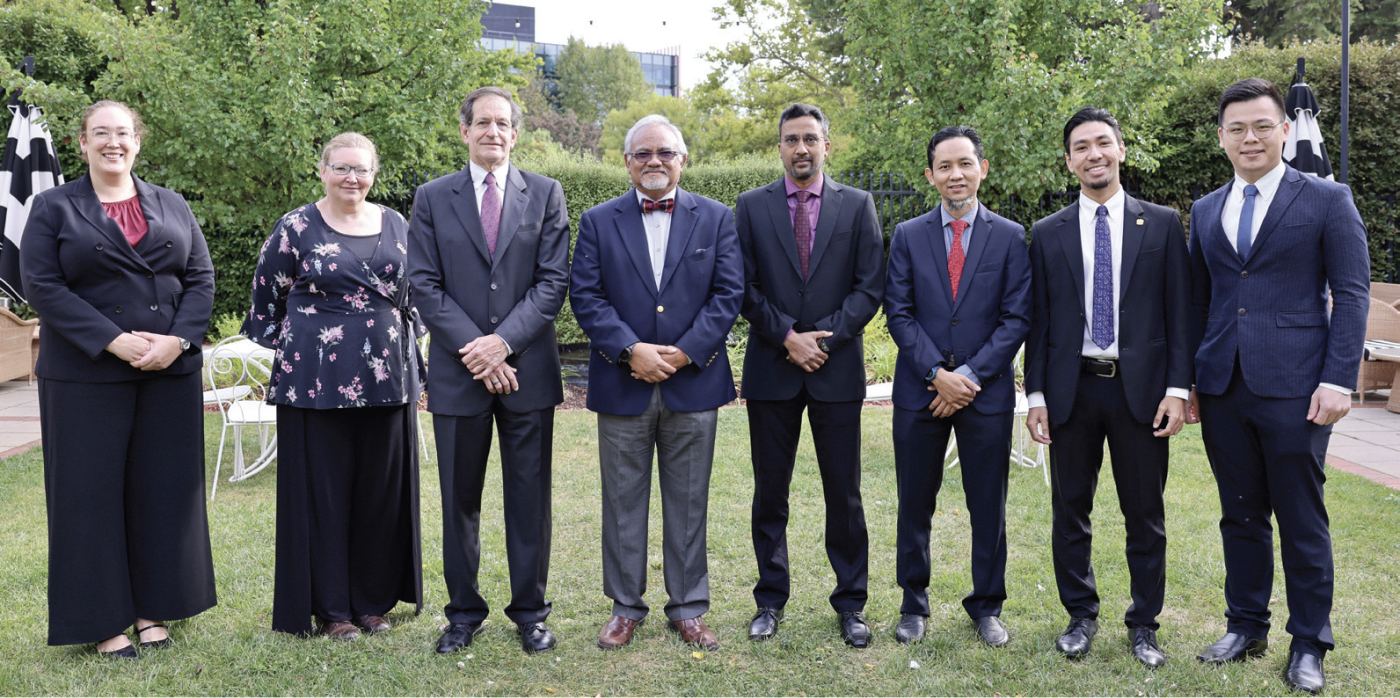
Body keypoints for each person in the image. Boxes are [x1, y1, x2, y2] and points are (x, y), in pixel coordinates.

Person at [1187, 78, 1369, 694]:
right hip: (1222, 386)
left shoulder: (1326, 198)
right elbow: (1200, 300)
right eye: (1236, 128)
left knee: (1300, 518)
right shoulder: (1207, 208)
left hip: (1297, 387)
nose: (1250, 138)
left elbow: (1351, 293)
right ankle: (1246, 625)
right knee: (1239, 516)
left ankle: (1310, 642)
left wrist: (1339, 378)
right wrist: (1187, 382)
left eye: (1262, 125)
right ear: (1221, 138)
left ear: (1284, 130)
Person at [21, 99, 216, 657]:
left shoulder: (171, 203)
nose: (113, 142)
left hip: (167, 371)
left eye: (123, 133)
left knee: (164, 491)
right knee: (88, 497)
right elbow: (42, 285)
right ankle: (103, 621)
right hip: (85, 373)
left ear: (138, 141)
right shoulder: (53, 206)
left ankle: (156, 609)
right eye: (101, 133)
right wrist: (112, 339)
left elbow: (200, 277)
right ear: (82, 143)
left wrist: (177, 340)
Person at [1024, 108, 1191, 667]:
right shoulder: (1046, 234)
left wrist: (1178, 388)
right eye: (1081, 147)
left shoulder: (1163, 223)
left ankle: (1144, 624)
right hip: (1073, 391)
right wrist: (1037, 397)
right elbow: (1040, 322)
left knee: (1144, 513)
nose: (1093, 154)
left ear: (1121, 150)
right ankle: (1080, 615)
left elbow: (1179, 314)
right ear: (1068, 160)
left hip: (1141, 394)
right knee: (1070, 510)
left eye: (1103, 143)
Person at [570, 114, 743, 652]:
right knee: (622, 502)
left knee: (689, 501)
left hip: (694, 384)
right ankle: (625, 608)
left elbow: (728, 294)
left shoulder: (716, 218)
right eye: (642, 153)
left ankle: (688, 607)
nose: (654, 162)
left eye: (665, 152)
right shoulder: (598, 220)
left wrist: (687, 351)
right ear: (626, 162)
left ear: (682, 160)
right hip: (624, 384)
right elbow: (587, 295)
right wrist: (630, 351)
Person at [407, 86, 570, 655]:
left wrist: (502, 344)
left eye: (503, 123)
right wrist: (477, 349)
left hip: (528, 373)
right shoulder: (432, 197)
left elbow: (553, 283)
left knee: (530, 500)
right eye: (482, 123)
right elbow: (422, 284)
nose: (493, 132)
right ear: (465, 131)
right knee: (460, 501)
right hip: (459, 375)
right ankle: (464, 613)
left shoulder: (546, 194)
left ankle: (531, 612)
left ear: (516, 133)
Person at [243, 132, 425, 641]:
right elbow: (264, 308)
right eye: (342, 168)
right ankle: (333, 611)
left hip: (388, 379)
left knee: (379, 493)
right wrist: (312, 346)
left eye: (361, 169)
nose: (352, 178)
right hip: (315, 384)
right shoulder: (295, 227)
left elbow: (419, 295)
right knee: (321, 495)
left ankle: (371, 603)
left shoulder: (397, 223)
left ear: (374, 173)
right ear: (322, 170)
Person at [734, 103, 885, 647]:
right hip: (773, 372)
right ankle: (770, 601)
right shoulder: (750, 207)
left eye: (811, 139)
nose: (802, 148)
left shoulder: (858, 205)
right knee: (770, 493)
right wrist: (787, 337)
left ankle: (851, 603)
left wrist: (825, 337)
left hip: (835, 371)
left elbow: (871, 286)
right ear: (779, 146)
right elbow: (743, 287)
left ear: (827, 144)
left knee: (843, 494)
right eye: (792, 139)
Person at [883, 125, 1031, 647]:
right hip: (919, 392)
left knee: (987, 505)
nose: (955, 174)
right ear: (930, 175)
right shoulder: (907, 235)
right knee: (915, 501)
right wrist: (936, 374)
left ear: (982, 168)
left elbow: (1016, 320)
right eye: (944, 166)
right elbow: (897, 314)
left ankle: (986, 606)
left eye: (965, 163)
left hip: (983, 395)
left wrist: (966, 377)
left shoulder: (1011, 237)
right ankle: (912, 603)